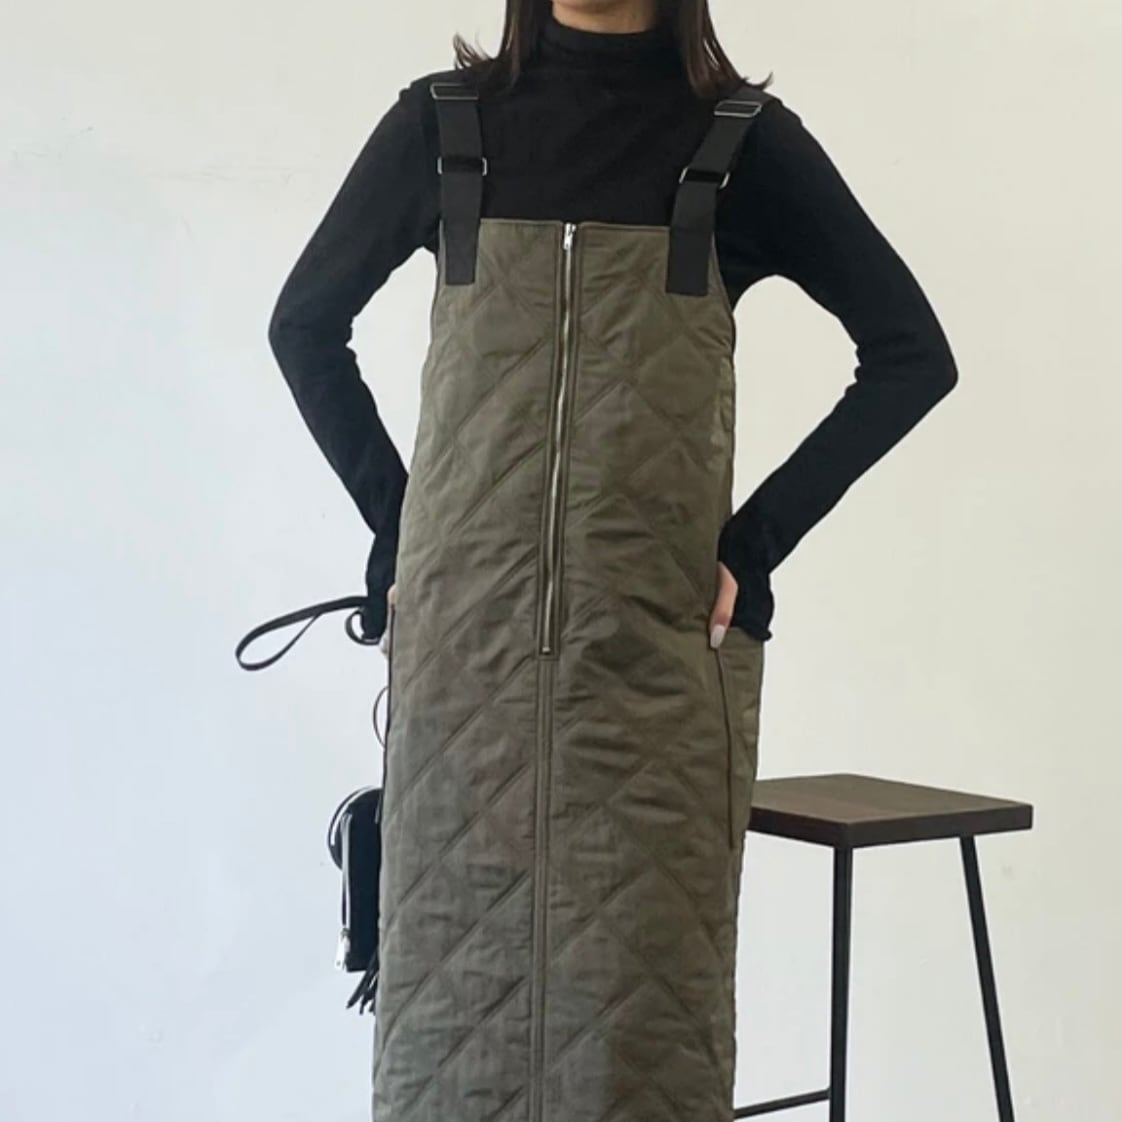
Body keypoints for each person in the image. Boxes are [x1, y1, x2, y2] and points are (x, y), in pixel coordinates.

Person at [267, 2, 958, 1119]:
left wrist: (753, 546)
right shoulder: (444, 128)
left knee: (645, 1051)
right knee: (450, 1051)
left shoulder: (740, 142)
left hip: (654, 678)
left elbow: (912, 355)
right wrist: (405, 529)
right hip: (464, 682)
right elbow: (303, 325)